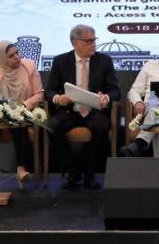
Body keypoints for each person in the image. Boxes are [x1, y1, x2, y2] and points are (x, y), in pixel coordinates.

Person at [45, 25, 120, 189]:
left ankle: (90, 175)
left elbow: (115, 91)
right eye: (89, 41)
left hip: (94, 111)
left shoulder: (104, 61)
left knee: (101, 127)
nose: (94, 44)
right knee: (52, 127)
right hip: (70, 111)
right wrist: (58, 98)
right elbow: (49, 91)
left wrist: (106, 97)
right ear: (75, 43)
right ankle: (73, 170)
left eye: (94, 40)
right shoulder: (60, 61)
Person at [0, 40, 44, 188]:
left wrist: (24, 105)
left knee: (18, 124)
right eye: (11, 56)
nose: (17, 57)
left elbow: (39, 94)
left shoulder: (29, 66)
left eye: (17, 53)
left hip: (21, 111)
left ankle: (21, 169)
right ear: (1, 59)